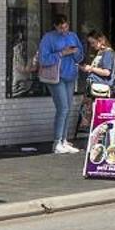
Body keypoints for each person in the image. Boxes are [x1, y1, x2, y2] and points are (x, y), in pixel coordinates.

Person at [37, 14, 83, 153]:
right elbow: (43, 59)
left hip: (70, 75)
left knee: (68, 108)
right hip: (56, 76)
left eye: (66, 27)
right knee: (62, 108)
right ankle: (57, 142)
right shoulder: (48, 38)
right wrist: (62, 53)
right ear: (55, 26)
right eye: (61, 28)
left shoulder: (73, 36)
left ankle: (64, 140)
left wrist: (75, 52)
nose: (64, 30)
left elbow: (80, 56)